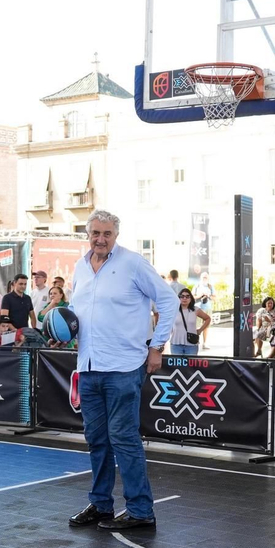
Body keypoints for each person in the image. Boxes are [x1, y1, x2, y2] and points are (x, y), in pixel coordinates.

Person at [67, 210, 178, 531]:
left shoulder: (133, 263)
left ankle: (141, 510)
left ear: (116, 235)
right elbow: (77, 312)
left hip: (123, 367)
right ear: (88, 235)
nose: (100, 239)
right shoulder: (80, 267)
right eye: (95, 233)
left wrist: (156, 346)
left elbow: (168, 301)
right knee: (96, 439)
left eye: (107, 234)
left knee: (124, 438)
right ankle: (101, 504)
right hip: (88, 366)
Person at [166, 288, 211, 356]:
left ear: (191, 298)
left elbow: (208, 318)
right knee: (177, 366)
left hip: (191, 344)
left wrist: (200, 330)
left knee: (191, 366)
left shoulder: (196, 310)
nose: (184, 298)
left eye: (187, 296)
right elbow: (166, 321)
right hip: (176, 343)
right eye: (182, 296)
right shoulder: (173, 310)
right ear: (179, 298)